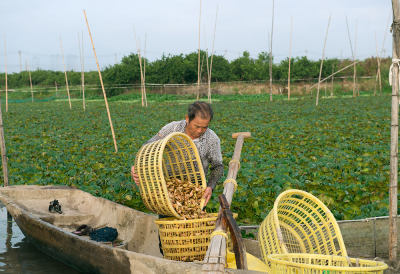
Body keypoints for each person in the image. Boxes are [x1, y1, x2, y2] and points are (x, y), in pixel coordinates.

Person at [131, 101, 223, 206]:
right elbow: (148, 146)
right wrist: (137, 168)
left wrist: (210, 187)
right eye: (197, 126)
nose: (200, 131)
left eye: (204, 127)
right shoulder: (172, 128)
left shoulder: (212, 139)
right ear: (187, 118)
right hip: (169, 190)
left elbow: (218, 167)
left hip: (195, 192)